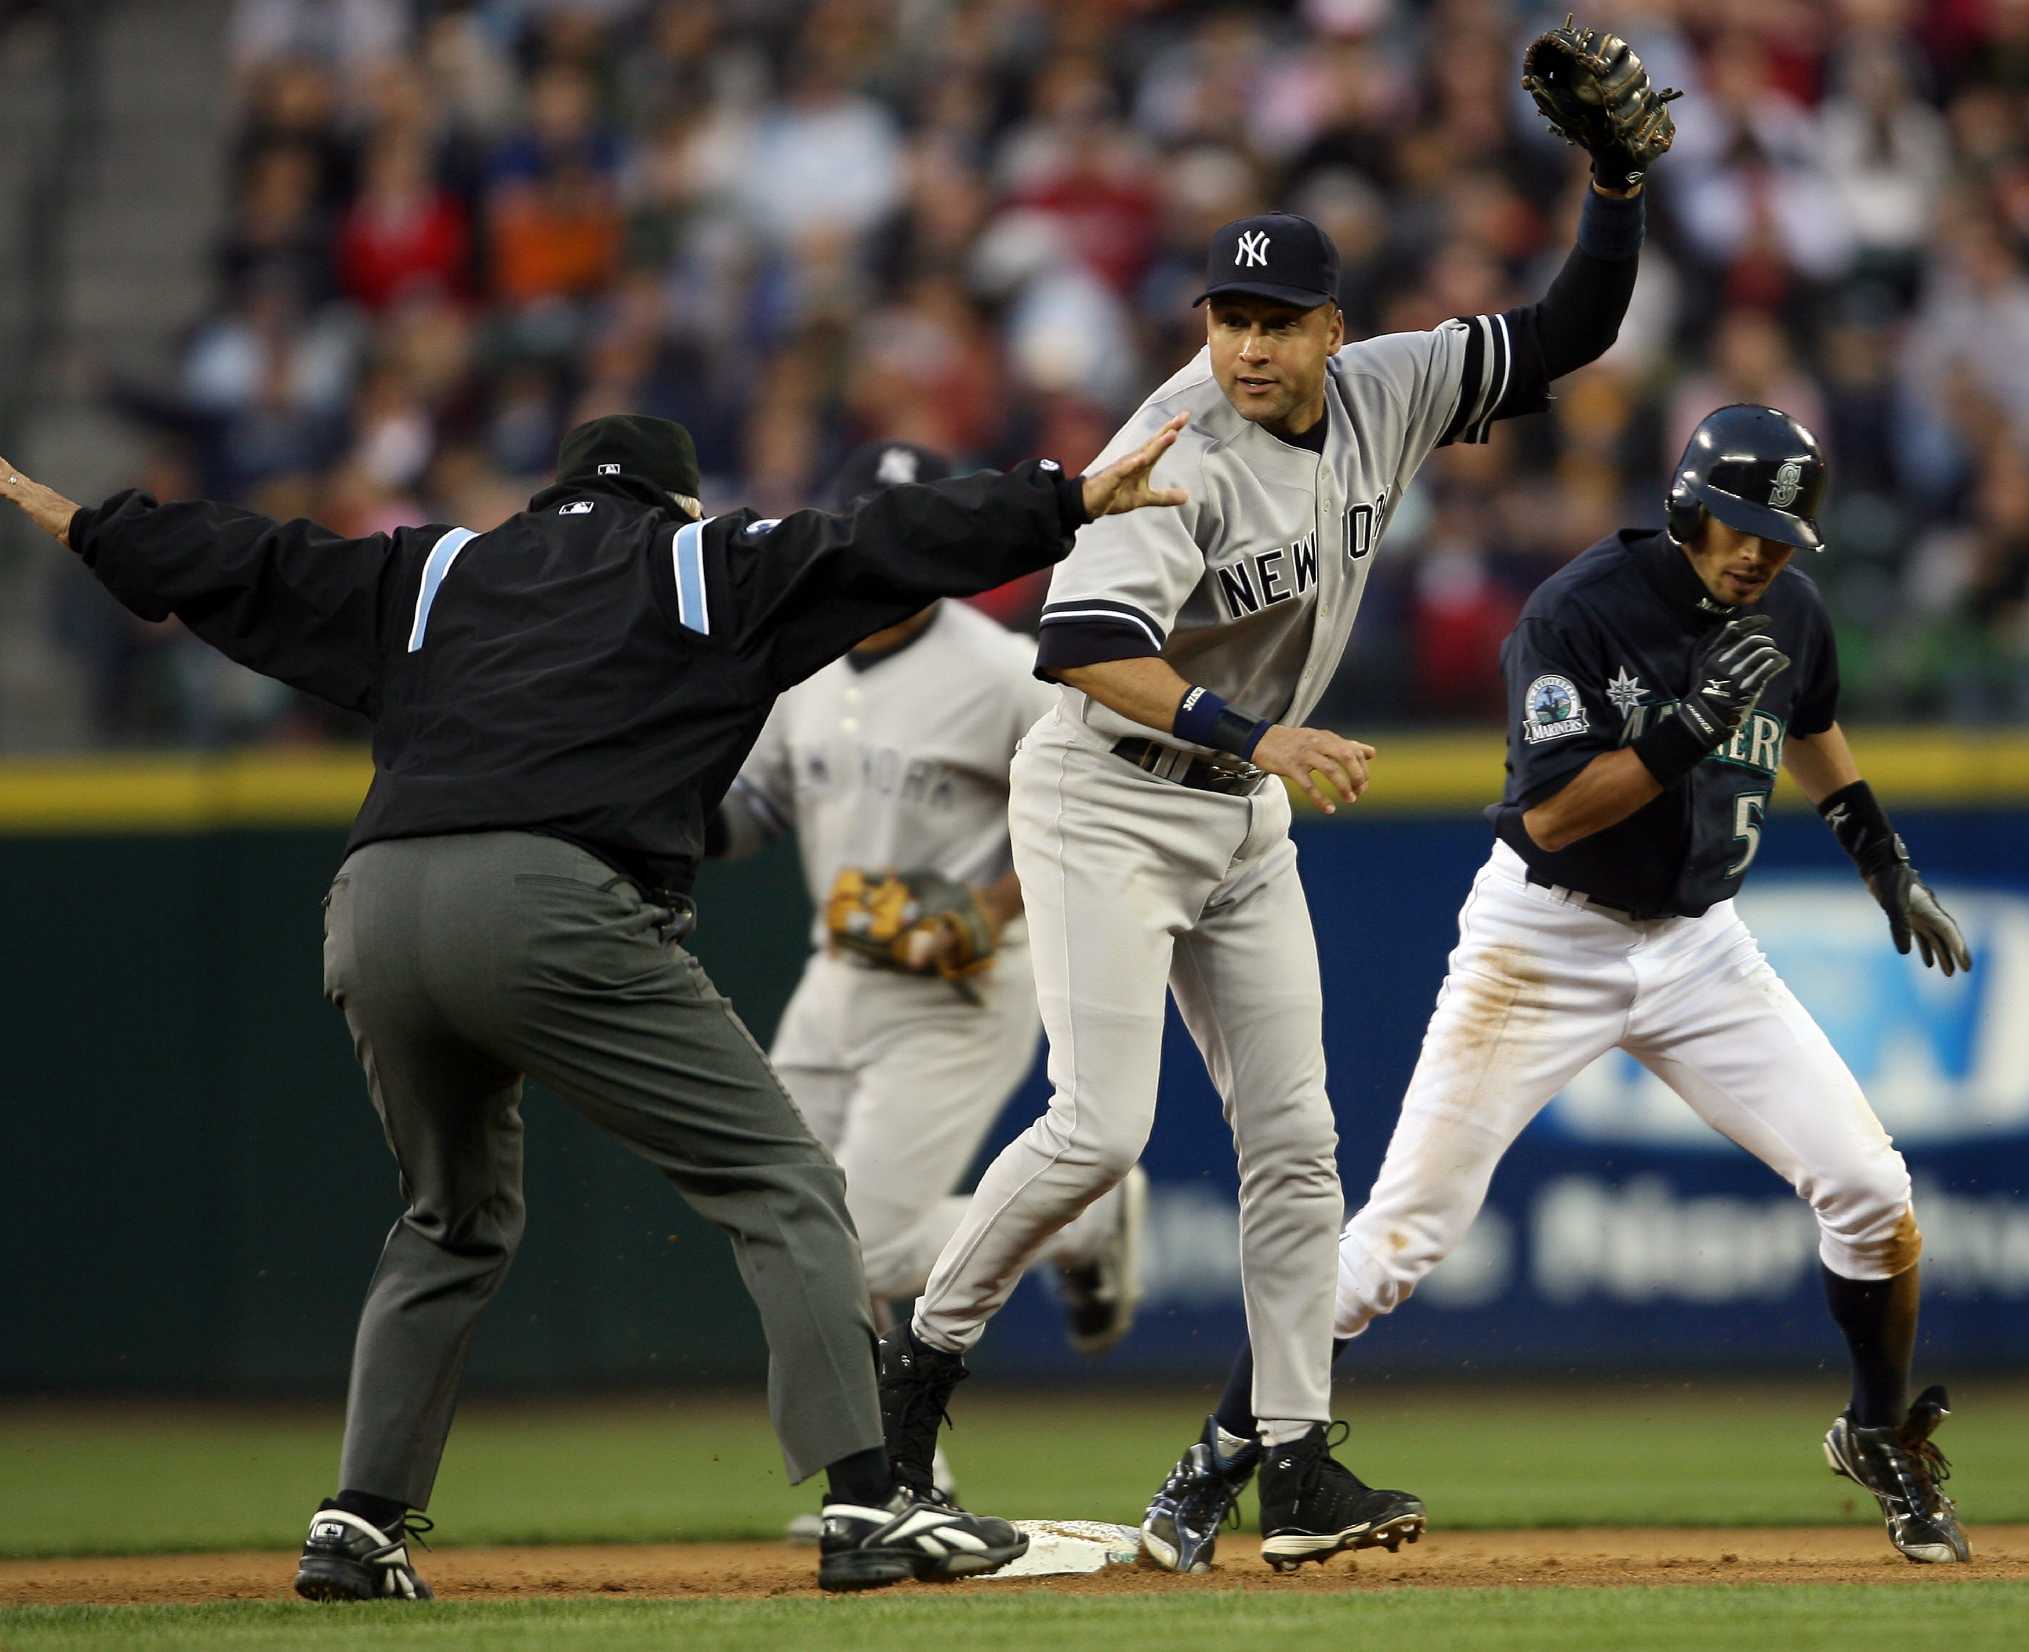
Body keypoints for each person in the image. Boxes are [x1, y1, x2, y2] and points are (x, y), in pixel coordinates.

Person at [0, 408, 1189, 1598]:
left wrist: (93, 527)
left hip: (372, 905)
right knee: (784, 1184)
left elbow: (249, 561)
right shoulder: (703, 561)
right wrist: (1068, 498)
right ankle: (868, 1501)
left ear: (548, 499)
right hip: (549, 903)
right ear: (675, 503)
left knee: (446, 1219)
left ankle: (356, 1525)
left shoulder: (435, 568)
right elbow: (894, 538)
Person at [876, 44, 1661, 1573]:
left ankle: (1294, 1466)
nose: (1242, 346)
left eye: (1270, 321)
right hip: (1105, 800)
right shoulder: (1171, 446)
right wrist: (1264, 737)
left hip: (1235, 815)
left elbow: (1572, 330)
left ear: (1329, 329)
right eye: (1224, 319)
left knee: (1298, 1143)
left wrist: (1617, 188)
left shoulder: (1386, 390)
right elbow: (1083, 648)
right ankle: (918, 1368)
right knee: (1100, 1132)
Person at [1136, 405, 1973, 1572]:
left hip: (1697, 944)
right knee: (1394, 1243)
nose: (1756, 554)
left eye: (1778, 539)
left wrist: (1880, 858)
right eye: (1737, 526)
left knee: (1869, 1189)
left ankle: (1874, 1433)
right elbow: (1546, 815)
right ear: (1688, 508)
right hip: (1544, 939)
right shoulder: (1579, 610)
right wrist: (1687, 728)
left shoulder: (1786, 606)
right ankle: (1215, 1457)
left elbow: (1812, 723)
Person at [707, 440, 1149, 1538]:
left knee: (863, 1241)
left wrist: (985, 911)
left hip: (963, 985)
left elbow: (1091, 803)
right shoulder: (801, 660)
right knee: (784, 1221)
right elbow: (751, 807)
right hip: (834, 976)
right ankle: (909, 1481)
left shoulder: (1003, 668)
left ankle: (1079, 1222)